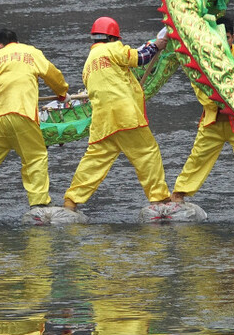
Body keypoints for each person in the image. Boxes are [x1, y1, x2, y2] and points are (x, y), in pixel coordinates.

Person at [62, 17, 172, 210]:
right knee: (147, 153)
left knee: (94, 162)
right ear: (113, 37)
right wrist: (156, 45)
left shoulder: (88, 64)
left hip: (103, 122)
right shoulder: (113, 48)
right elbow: (140, 58)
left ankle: (71, 200)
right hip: (125, 116)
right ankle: (159, 199)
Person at [0, 29, 69, 210]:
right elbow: (52, 74)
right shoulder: (30, 52)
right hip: (22, 113)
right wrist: (62, 93)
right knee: (35, 157)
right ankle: (39, 204)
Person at [170, 16, 234, 204]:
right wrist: (215, 103)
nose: (223, 41)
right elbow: (199, 86)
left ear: (232, 38)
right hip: (214, 118)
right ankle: (178, 194)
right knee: (199, 156)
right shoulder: (204, 56)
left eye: (227, 37)